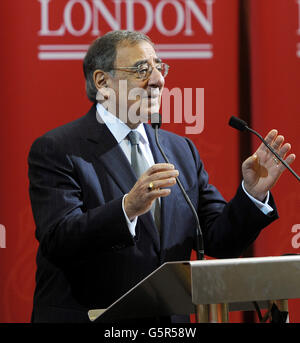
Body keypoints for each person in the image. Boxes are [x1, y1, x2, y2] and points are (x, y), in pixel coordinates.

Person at [28, 30, 295, 323]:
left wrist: (252, 194)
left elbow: (220, 240)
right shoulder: (59, 149)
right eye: (142, 69)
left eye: (159, 67)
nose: (158, 79)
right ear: (103, 82)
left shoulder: (180, 150)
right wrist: (126, 208)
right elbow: (59, 240)